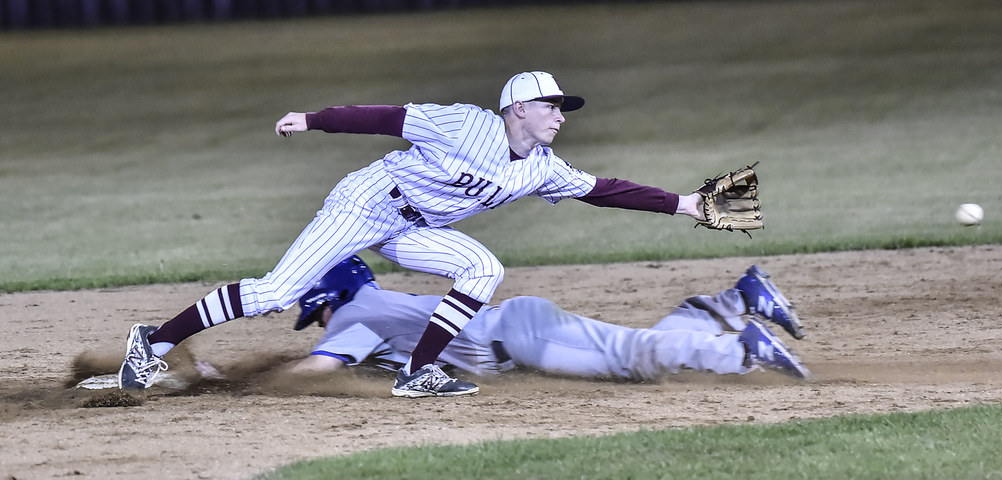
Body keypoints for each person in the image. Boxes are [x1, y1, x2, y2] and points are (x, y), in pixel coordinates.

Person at [118, 71, 717, 397]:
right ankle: (153, 342)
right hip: (367, 202)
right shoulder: (463, 123)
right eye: (551, 105)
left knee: (483, 269)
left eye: (563, 107)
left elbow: (606, 188)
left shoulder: (542, 167)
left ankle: (418, 371)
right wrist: (312, 120)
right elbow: (384, 118)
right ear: (517, 110)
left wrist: (685, 204)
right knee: (275, 292)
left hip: (415, 227)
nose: (561, 114)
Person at [282, 257, 809, 384]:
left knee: (633, 361)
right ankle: (730, 304)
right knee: (633, 352)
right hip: (517, 328)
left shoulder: (352, 316)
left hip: (520, 338)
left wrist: (251, 381)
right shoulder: (376, 304)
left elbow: (318, 370)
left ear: (329, 295)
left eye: (317, 307)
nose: (319, 318)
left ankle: (741, 349)